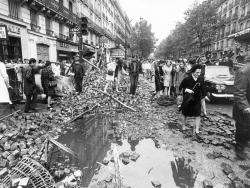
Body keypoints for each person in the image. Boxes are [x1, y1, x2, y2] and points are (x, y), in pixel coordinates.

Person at [179, 64, 207, 136]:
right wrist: (187, 90)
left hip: (197, 99)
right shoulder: (187, 79)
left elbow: (203, 89)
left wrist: (204, 96)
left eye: (199, 72)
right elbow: (181, 87)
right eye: (197, 72)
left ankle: (197, 129)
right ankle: (183, 126)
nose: (198, 74)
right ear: (193, 72)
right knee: (185, 113)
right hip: (188, 99)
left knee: (198, 115)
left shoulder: (201, 79)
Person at [233, 56, 250, 160]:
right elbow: (239, 92)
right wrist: (246, 107)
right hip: (244, 108)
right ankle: (239, 148)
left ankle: (246, 141)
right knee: (243, 128)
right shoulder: (244, 72)